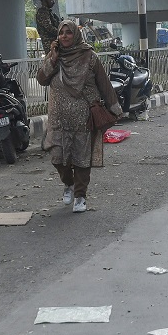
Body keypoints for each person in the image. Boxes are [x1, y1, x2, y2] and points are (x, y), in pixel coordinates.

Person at [37, 19, 122, 214]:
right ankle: (68, 183)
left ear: (75, 34)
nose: (64, 36)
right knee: (58, 158)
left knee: (82, 158)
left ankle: (80, 196)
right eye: (61, 33)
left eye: (68, 32)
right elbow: (42, 79)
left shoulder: (89, 56)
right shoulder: (54, 56)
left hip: (83, 117)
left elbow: (104, 84)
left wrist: (114, 108)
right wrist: (53, 58)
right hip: (58, 117)